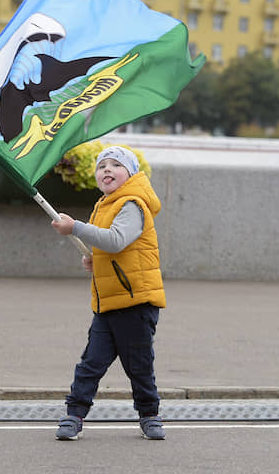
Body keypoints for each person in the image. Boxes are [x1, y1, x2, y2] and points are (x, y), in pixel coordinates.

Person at [50, 145, 166, 441]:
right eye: (102, 166)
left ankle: (149, 415)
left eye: (115, 165)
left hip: (134, 302)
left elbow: (115, 241)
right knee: (91, 363)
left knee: (138, 366)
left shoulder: (132, 203)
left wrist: (75, 227)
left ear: (130, 173)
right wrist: (96, 260)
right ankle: (74, 414)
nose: (106, 170)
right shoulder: (106, 204)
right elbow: (113, 250)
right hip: (108, 302)